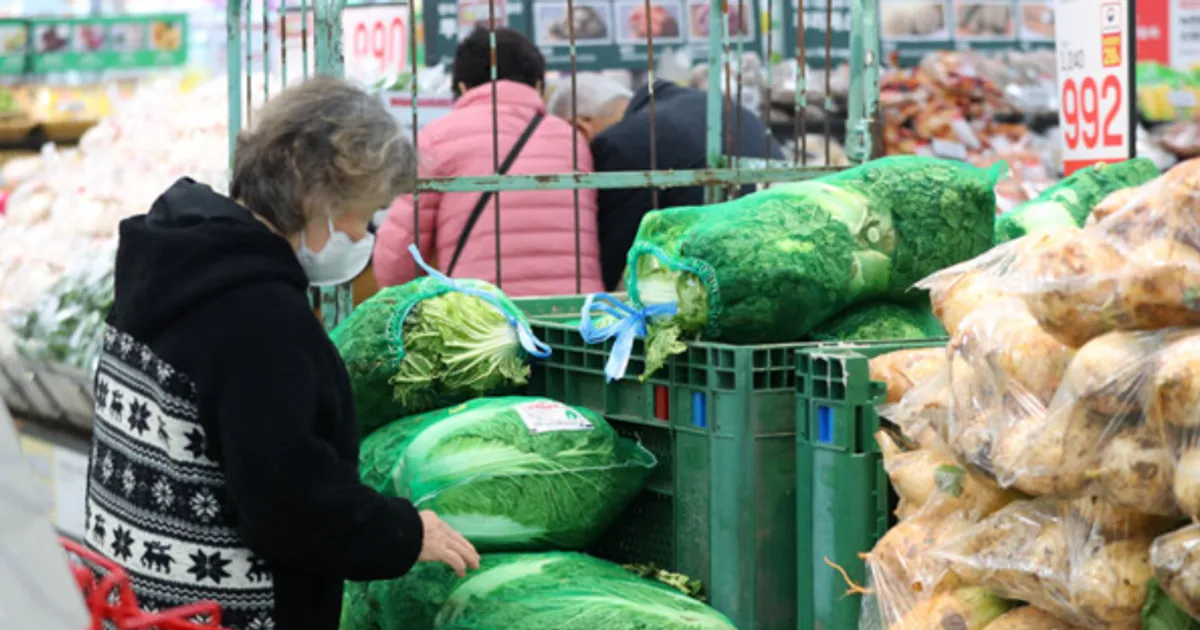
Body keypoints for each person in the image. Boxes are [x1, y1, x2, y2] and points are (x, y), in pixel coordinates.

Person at [82, 77, 479, 630]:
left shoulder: (176, 259)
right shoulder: (257, 314)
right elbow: (288, 501)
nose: (363, 236)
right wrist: (404, 533)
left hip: (138, 601)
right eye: (363, 215)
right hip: (223, 611)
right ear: (319, 195)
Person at [373, 27, 604, 296]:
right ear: (538, 86)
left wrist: (396, 296)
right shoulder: (572, 139)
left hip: (483, 309)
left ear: (462, 87)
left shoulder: (440, 136)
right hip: (574, 309)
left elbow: (401, 250)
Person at [548, 73, 785, 290]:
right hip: (781, 244)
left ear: (579, 128)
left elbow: (612, 254)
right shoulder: (708, 104)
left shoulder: (622, 143)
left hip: (720, 279)